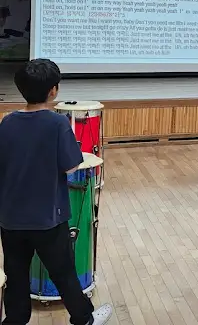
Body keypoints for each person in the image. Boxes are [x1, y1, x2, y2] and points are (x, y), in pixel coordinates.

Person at [0, 59, 113, 325]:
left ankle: (14, 320)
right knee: (63, 272)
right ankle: (84, 319)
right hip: (48, 218)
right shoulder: (57, 123)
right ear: (53, 91)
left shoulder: (7, 122)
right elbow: (71, 165)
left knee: (15, 274)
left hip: (10, 217)